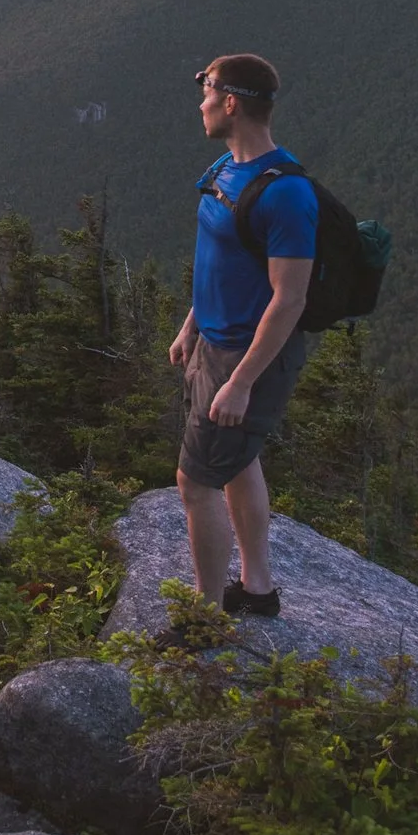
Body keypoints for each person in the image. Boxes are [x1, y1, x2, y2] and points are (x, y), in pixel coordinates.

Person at [166, 52, 315, 616]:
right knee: (237, 461)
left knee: (195, 481)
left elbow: (290, 297)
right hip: (214, 343)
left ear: (231, 103)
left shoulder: (285, 193)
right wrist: (192, 324)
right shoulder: (224, 171)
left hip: (248, 358)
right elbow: (218, 262)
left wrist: (242, 382)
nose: (200, 102)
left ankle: (204, 619)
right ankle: (257, 589)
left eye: (206, 91)